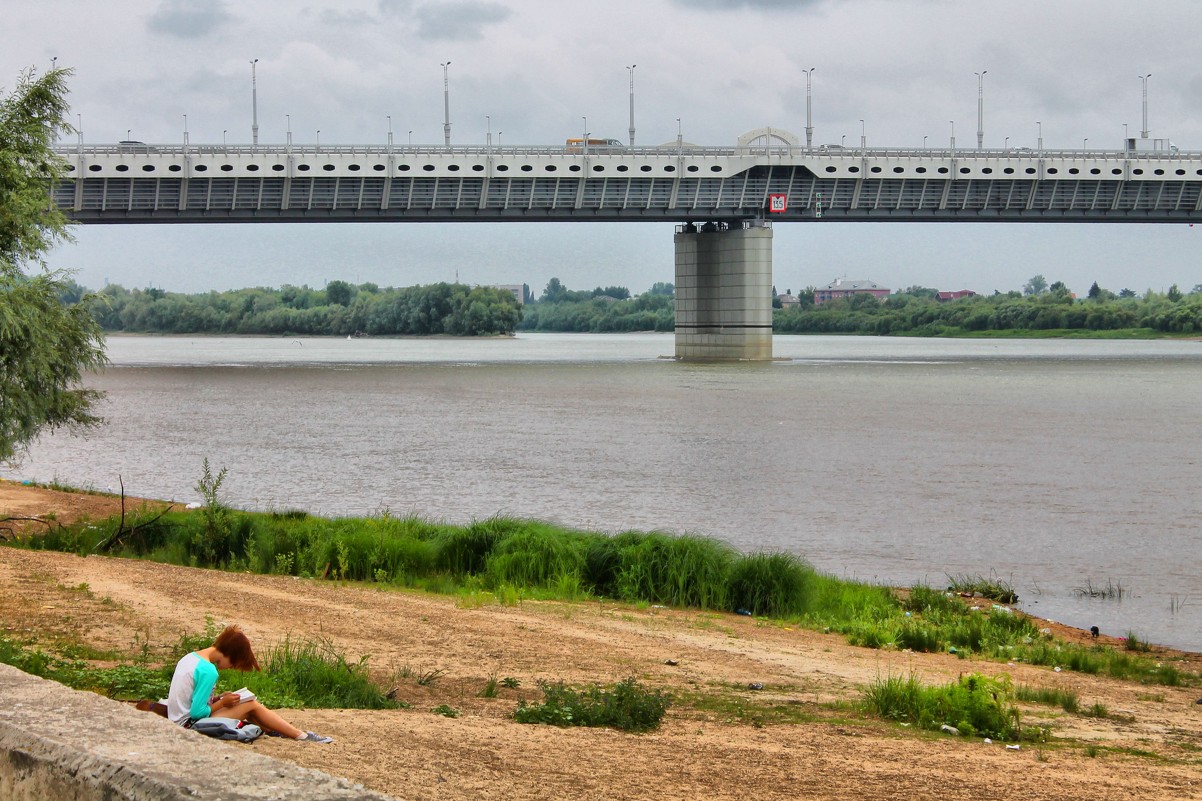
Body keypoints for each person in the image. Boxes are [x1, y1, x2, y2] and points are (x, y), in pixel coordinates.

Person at [166, 623, 333, 744]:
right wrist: (223, 703)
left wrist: (217, 699)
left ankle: (275, 730)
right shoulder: (209, 670)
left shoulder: (191, 658)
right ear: (230, 654)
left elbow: (191, 699)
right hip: (188, 726)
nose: (231, 667)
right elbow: (196, 712)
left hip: (176, 720)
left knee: (245, 704)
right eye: (234, 663)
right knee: (251, 705)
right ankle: (300, 736)